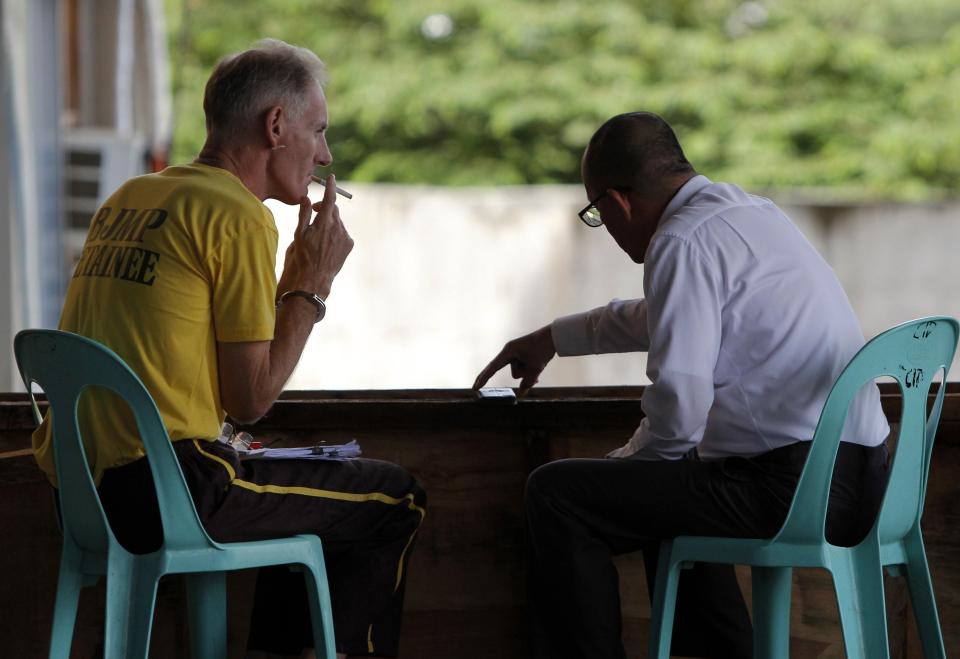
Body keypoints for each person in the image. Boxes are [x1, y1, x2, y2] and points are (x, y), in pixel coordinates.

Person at [32, 39, 425, 659]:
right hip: (172, 491)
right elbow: (250, 400)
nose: (324, 154)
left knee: (302, 501)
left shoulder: (133, 196)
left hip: (80, 496)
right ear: (276, 125)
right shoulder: (238, 214)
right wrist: (309, 286)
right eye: (318, 131)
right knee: (392, 498)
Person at [473, 111, 890, 659]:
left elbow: (679, 417)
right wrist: (555, 336)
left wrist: (623, 461)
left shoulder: (681, 240)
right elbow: (671, 316)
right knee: (666, 491)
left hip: (794, 489)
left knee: (557, 494)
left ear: (617, 203)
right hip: (870, 476)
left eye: (597, 214)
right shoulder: (749, 212)